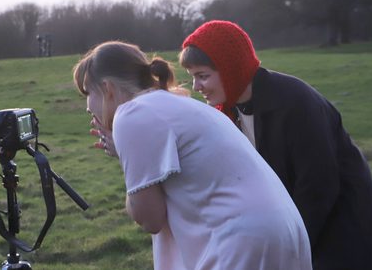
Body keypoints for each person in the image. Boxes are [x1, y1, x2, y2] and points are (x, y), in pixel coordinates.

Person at [74, 40, 312, 270]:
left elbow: (150, 218)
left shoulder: (132, 113)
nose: (87, 107)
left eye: (87, 92)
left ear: (107, 89)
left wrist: (126, 160)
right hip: (283, 229)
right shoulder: (182, 104)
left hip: (240, 239)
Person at [178, 20, 372, 270]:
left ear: (230, 67)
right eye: (193, 77)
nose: (196, 87)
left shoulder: (294, 102)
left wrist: (289, 250)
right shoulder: (229, 111)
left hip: (338, 219)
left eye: (203, 76)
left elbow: (318, 185)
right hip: (294, 221)